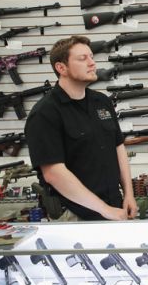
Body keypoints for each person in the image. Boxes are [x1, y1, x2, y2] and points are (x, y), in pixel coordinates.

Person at [25, 35, 138, 221]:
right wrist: (104, 209)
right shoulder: (44, 113)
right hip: (74, 215)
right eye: (82, 58)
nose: (92, 63)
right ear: (61, 68)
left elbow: (118, 147)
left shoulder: (102, 102)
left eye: (92, 57)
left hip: (115, 208)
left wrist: (129, 194)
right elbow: (54, 173)